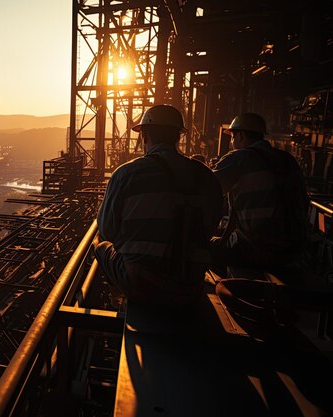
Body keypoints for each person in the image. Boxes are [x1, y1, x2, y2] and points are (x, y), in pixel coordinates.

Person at [95, 105, 223, 306]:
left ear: (144, 135)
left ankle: (115, 300)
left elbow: (107, 230)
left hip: (142, 284)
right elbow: (211, 227)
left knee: (100, 243)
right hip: (190, 284)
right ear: (178, 137)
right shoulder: (205, 175)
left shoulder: (126, 174)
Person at [212, 112, 309, 283]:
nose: (232, 142)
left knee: (201, 247)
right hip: (293, 252)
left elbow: (207, 190)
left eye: (233, 137)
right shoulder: (288, 160)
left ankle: (228, 293)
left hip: (256, 250)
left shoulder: (240, 158)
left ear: (240, 135)